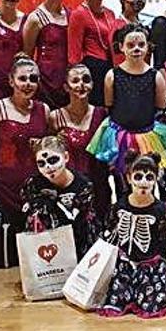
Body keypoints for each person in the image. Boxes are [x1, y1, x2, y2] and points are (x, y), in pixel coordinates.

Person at [0, 54, 49, 268]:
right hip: (2, 190)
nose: (28, 84)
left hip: (33, 190)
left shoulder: (43, 111)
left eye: (33, 79)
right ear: (11, 81)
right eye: (23, 78)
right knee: (1, 256)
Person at [86, 23, 166, 175]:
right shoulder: (112, 75)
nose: (136, 49)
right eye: (131, 45)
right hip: (118, 135)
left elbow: (160, 106)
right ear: (121, 47)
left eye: (141, 45)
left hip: (147, 135)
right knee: (120, 178)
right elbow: (109, 105)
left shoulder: (155, 76)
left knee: (147, 175)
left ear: (148, 46)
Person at [102, 152, 166, 318]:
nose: (143, 182)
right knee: (115, 302)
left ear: (156, 179)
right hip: (125, 263)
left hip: (151, 264)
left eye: (149, 177)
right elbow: (110, 234)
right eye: (138, 177)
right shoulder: (119, 206)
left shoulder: (162, 210)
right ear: (129, 178)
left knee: (152, 305)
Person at [22, 135, 102, 259]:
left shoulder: (83, 184)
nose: (48, 167)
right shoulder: (33, 184)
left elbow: (80, 219)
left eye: (53, 160)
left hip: (80, 236)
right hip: (47, 239)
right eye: (41, 163)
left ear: (66, 157)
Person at [49, 63, 109, 218]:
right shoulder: (55, 117)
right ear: (66, 87)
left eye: (86, 79)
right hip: (67, 190)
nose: (81, 84)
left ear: (92, 84)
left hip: (98, 187)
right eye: (75, 80)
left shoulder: (102, 114)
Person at [67, 0, 118, 107]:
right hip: (91, 71)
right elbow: (73, 56)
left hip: (109, 71)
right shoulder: (79, 14)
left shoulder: (110, 13)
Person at [23, 0, 70, 108]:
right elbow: (27, 57)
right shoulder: (35, 18)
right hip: (45, 84)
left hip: (68, 83)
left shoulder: (72, 15)